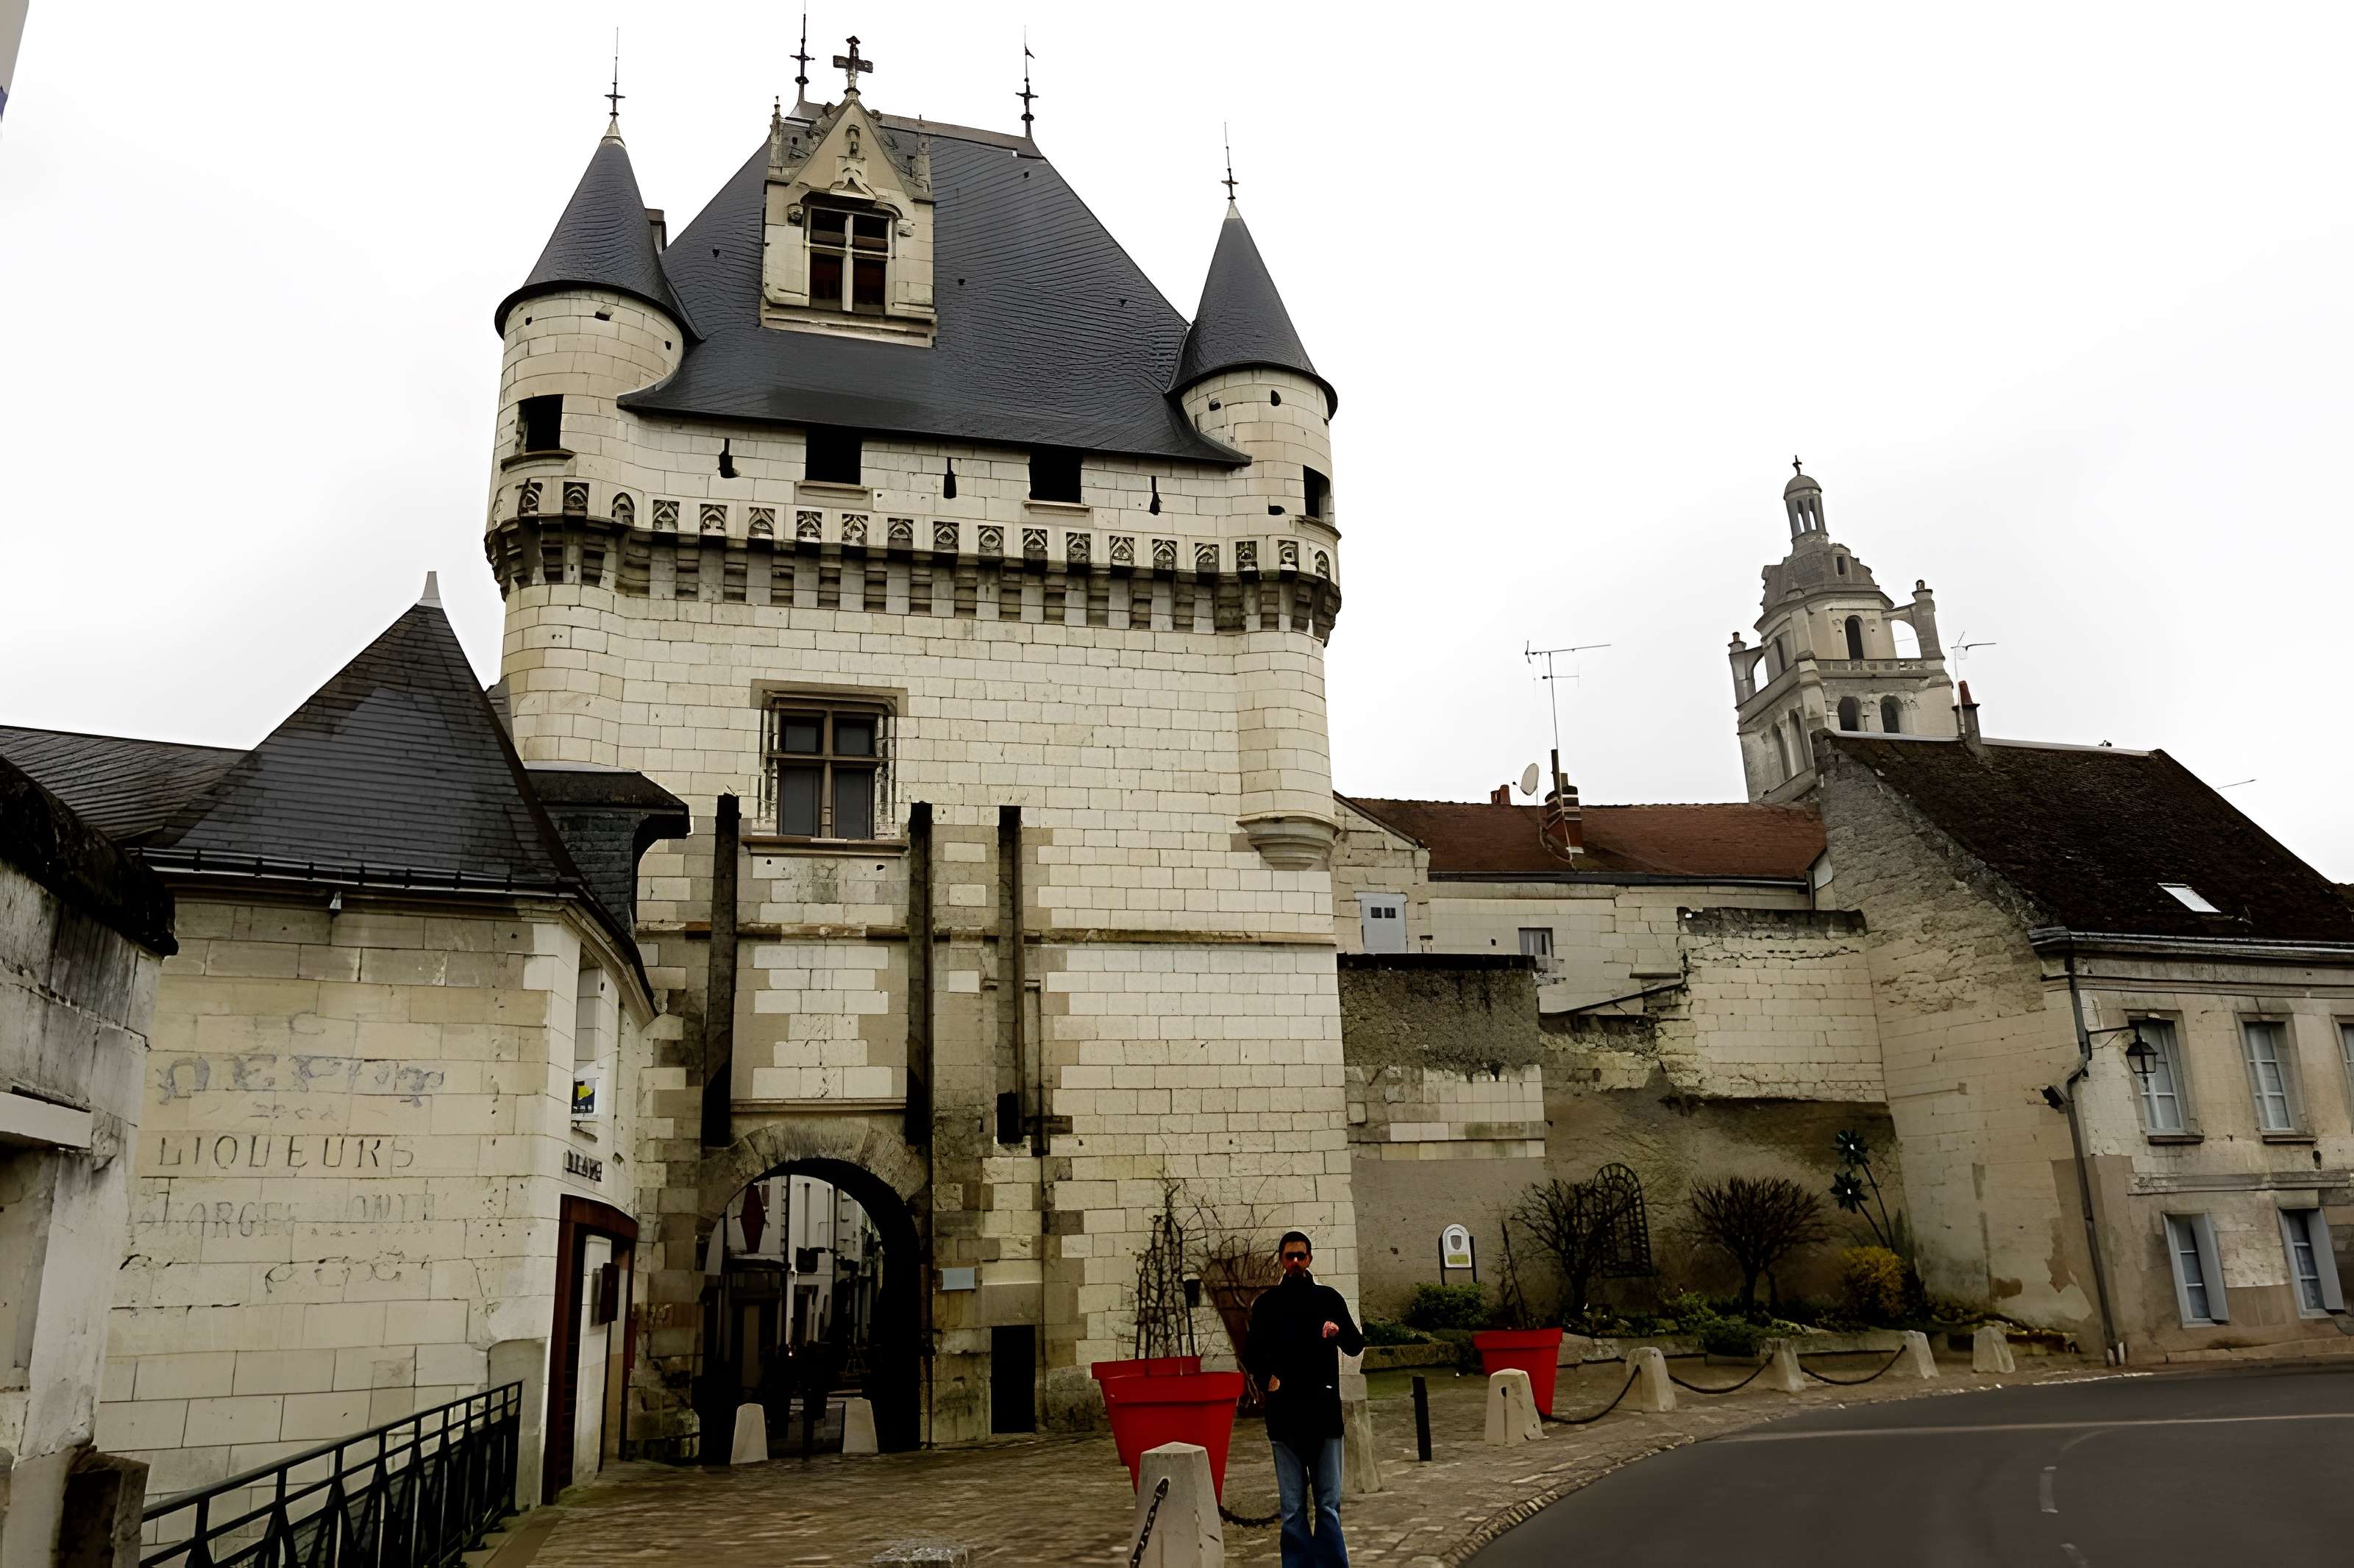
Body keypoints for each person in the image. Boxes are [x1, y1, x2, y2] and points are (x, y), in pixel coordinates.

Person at [1242, 1230, 1364, 1568]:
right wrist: (1268, 1379)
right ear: (1281, 1260)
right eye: (1289, 1256)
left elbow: (1355, 1344)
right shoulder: (1267, 1304)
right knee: (1292, 1507)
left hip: (1324, 1414)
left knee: (1328, 1504)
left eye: (1301, 1256)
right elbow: (1252, 1353)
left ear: (1310, 1259)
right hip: (1285, 1417)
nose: (1295, 1262)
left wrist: (1339, 1332)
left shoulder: (1328, 1298)